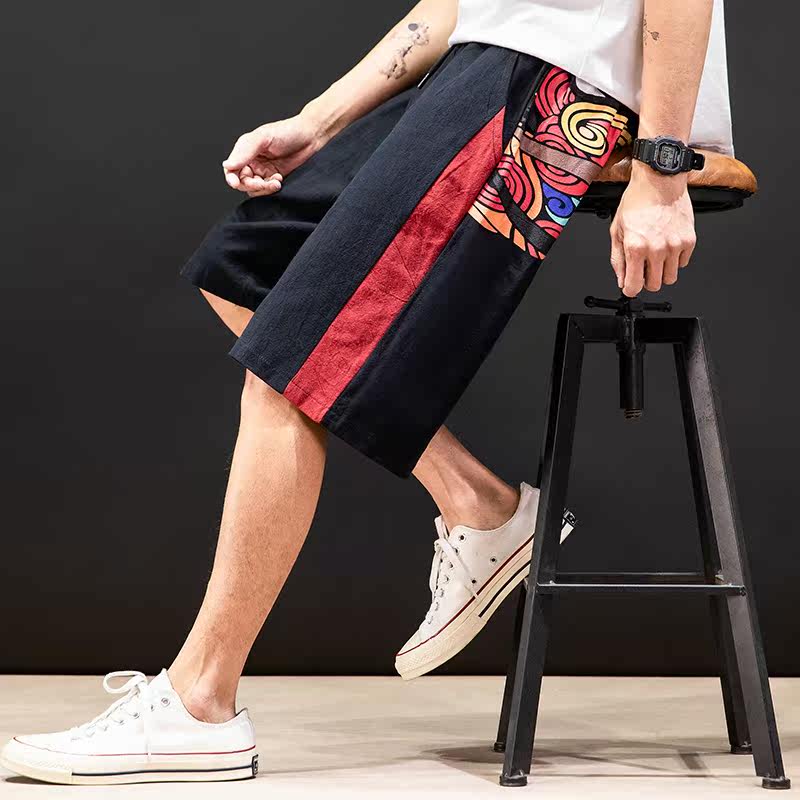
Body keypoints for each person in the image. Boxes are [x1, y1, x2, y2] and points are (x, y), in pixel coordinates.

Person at [1, 0, 733, 785]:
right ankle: (479, 505)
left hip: (561, 85)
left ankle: (200, 701)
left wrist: (662, 170)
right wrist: (319, 121)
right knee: (244, 268)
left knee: (288, 358)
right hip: (481, 65)